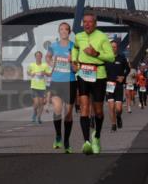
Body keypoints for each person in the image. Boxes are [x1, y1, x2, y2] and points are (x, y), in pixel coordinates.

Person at [71, 12, 115, 155]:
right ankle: (86, 142)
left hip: (99, 75)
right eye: (85, 22)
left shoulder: (102, 37)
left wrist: (96, 54)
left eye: (90, 22)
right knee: (84, 106)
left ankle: (96, 137)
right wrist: (74, 61)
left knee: (98, 111)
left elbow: (111, 57)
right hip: (83, 73)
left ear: (95, 24)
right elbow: (75, 48)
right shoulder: (79, 36)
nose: (87, 24)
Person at [46, 22, 76, 153]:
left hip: (70, 82)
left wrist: (72, 62)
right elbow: (47, 57)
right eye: (61, 29)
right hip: (56, 82)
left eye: (66, 29)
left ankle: (67, 141)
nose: (63, 31)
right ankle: (58, 135)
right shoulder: (53, 46)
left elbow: (76, 68)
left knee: (68, 114)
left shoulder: (74, 47)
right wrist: (50, 61)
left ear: (69, 32)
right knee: (58, 109)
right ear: (59, 32)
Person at [105, 39, 129, 131]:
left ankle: (118, 117)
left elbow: (128, 69)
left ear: (117, 48)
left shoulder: (121, 58)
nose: (113, 48)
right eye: (111, 47)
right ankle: (113, 124)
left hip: (119, 85)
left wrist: (123, 76)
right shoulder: (106, 59)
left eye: (114, 47)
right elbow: (102, 71)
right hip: (110, 85)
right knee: (111, 107)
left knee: (118, 109)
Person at [26, 51, 51, 124]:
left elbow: (49, 74)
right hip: (34, 86)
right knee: (36, 102)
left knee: (41, 103)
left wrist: (45, 73)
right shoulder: (31, 65)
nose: (38, 57)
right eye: (37, 56)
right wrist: (31, 73)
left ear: (41, 57)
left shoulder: (45, 65)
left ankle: (39, 117)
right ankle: (34, 113)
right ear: (35, 57)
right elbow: (28, 72)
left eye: (39, 56)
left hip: (42, 87)